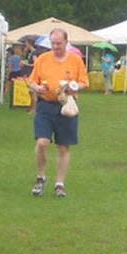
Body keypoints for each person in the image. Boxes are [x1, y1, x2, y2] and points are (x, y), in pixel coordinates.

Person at [27, 28, 88, 198]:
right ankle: (41, 177)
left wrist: (72, 86)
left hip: (67, 105)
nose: (55, 47)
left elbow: (84, 82)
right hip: (45, 105)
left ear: (66, 42)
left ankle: (59, 183)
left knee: (63, 146)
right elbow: (31, 80)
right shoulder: (42, 59)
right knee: (42, 142)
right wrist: (37, 87)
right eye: (53, 43)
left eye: (59, 43)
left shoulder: (76, 60)